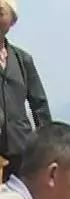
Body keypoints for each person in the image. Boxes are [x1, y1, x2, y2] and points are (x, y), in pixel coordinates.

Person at [0, 0, 51, 182]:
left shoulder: (22, 60)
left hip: (19, 148)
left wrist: (46, 144)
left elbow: (39, 105)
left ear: (12, 21)